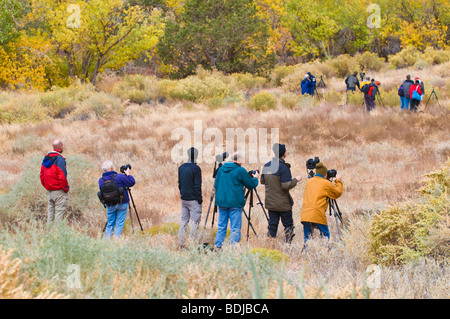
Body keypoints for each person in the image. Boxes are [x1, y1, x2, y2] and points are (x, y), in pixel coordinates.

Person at [213, 152, 259, 249]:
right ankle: (234, 249)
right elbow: (250, 185)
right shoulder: (240, 170)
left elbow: (216, 184)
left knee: (221, 227)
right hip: (235, 203)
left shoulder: (221, 169)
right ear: (239, 160)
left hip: (222, 203)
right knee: (235, 228)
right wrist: (256, 178)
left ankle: (218, 247)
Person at [261, 143, 302, 244]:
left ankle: (270, 244)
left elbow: (262, 181)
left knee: (272, 225)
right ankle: (288, 245)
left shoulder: (267, 165)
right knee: (288, 225)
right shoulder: (283, 167)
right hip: (283, 204)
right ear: (284, 154)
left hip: (271, 203)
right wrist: (296, 180)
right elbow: (286, 185)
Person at [300, 162, 343, 245]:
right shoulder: (326, 183)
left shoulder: (309, 181)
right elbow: (337, 193)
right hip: (317, 214)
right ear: (325, 175)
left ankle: (306, 254)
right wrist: (338, 181)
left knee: (307, 238)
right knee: (325, 236)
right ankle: (325, 251)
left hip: (305, 214)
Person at [99, 160, 135, 238]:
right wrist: (128, 174)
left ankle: (106, 244)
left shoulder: (101, 180)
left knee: (110, 224)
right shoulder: (119, 176)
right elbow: (131, 182)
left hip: (110, 204)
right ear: (111, 167)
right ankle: (117, 243)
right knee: (119, 224)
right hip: (122, 203)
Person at [177, 147, 203, 248]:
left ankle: (181, 243)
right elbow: (197, 185)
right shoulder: (196, 168)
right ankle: (193, 244)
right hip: (193, 200)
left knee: (183, 221)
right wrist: (199, 198)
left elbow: (179, 183)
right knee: (194, 223)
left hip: (184, 199)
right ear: (196, 155)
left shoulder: (181, 167)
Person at [40, 139, 69, 225]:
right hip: (59, 191)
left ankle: (49, 236)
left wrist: (48, 186)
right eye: (62, 146)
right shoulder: (60, 159)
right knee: (59, 218)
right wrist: (65, 188)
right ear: (60, 147)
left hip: (50, 192)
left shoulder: (46, 158)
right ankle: (57, 237)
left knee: (50, 217)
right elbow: (62, 176)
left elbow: (41, 176)